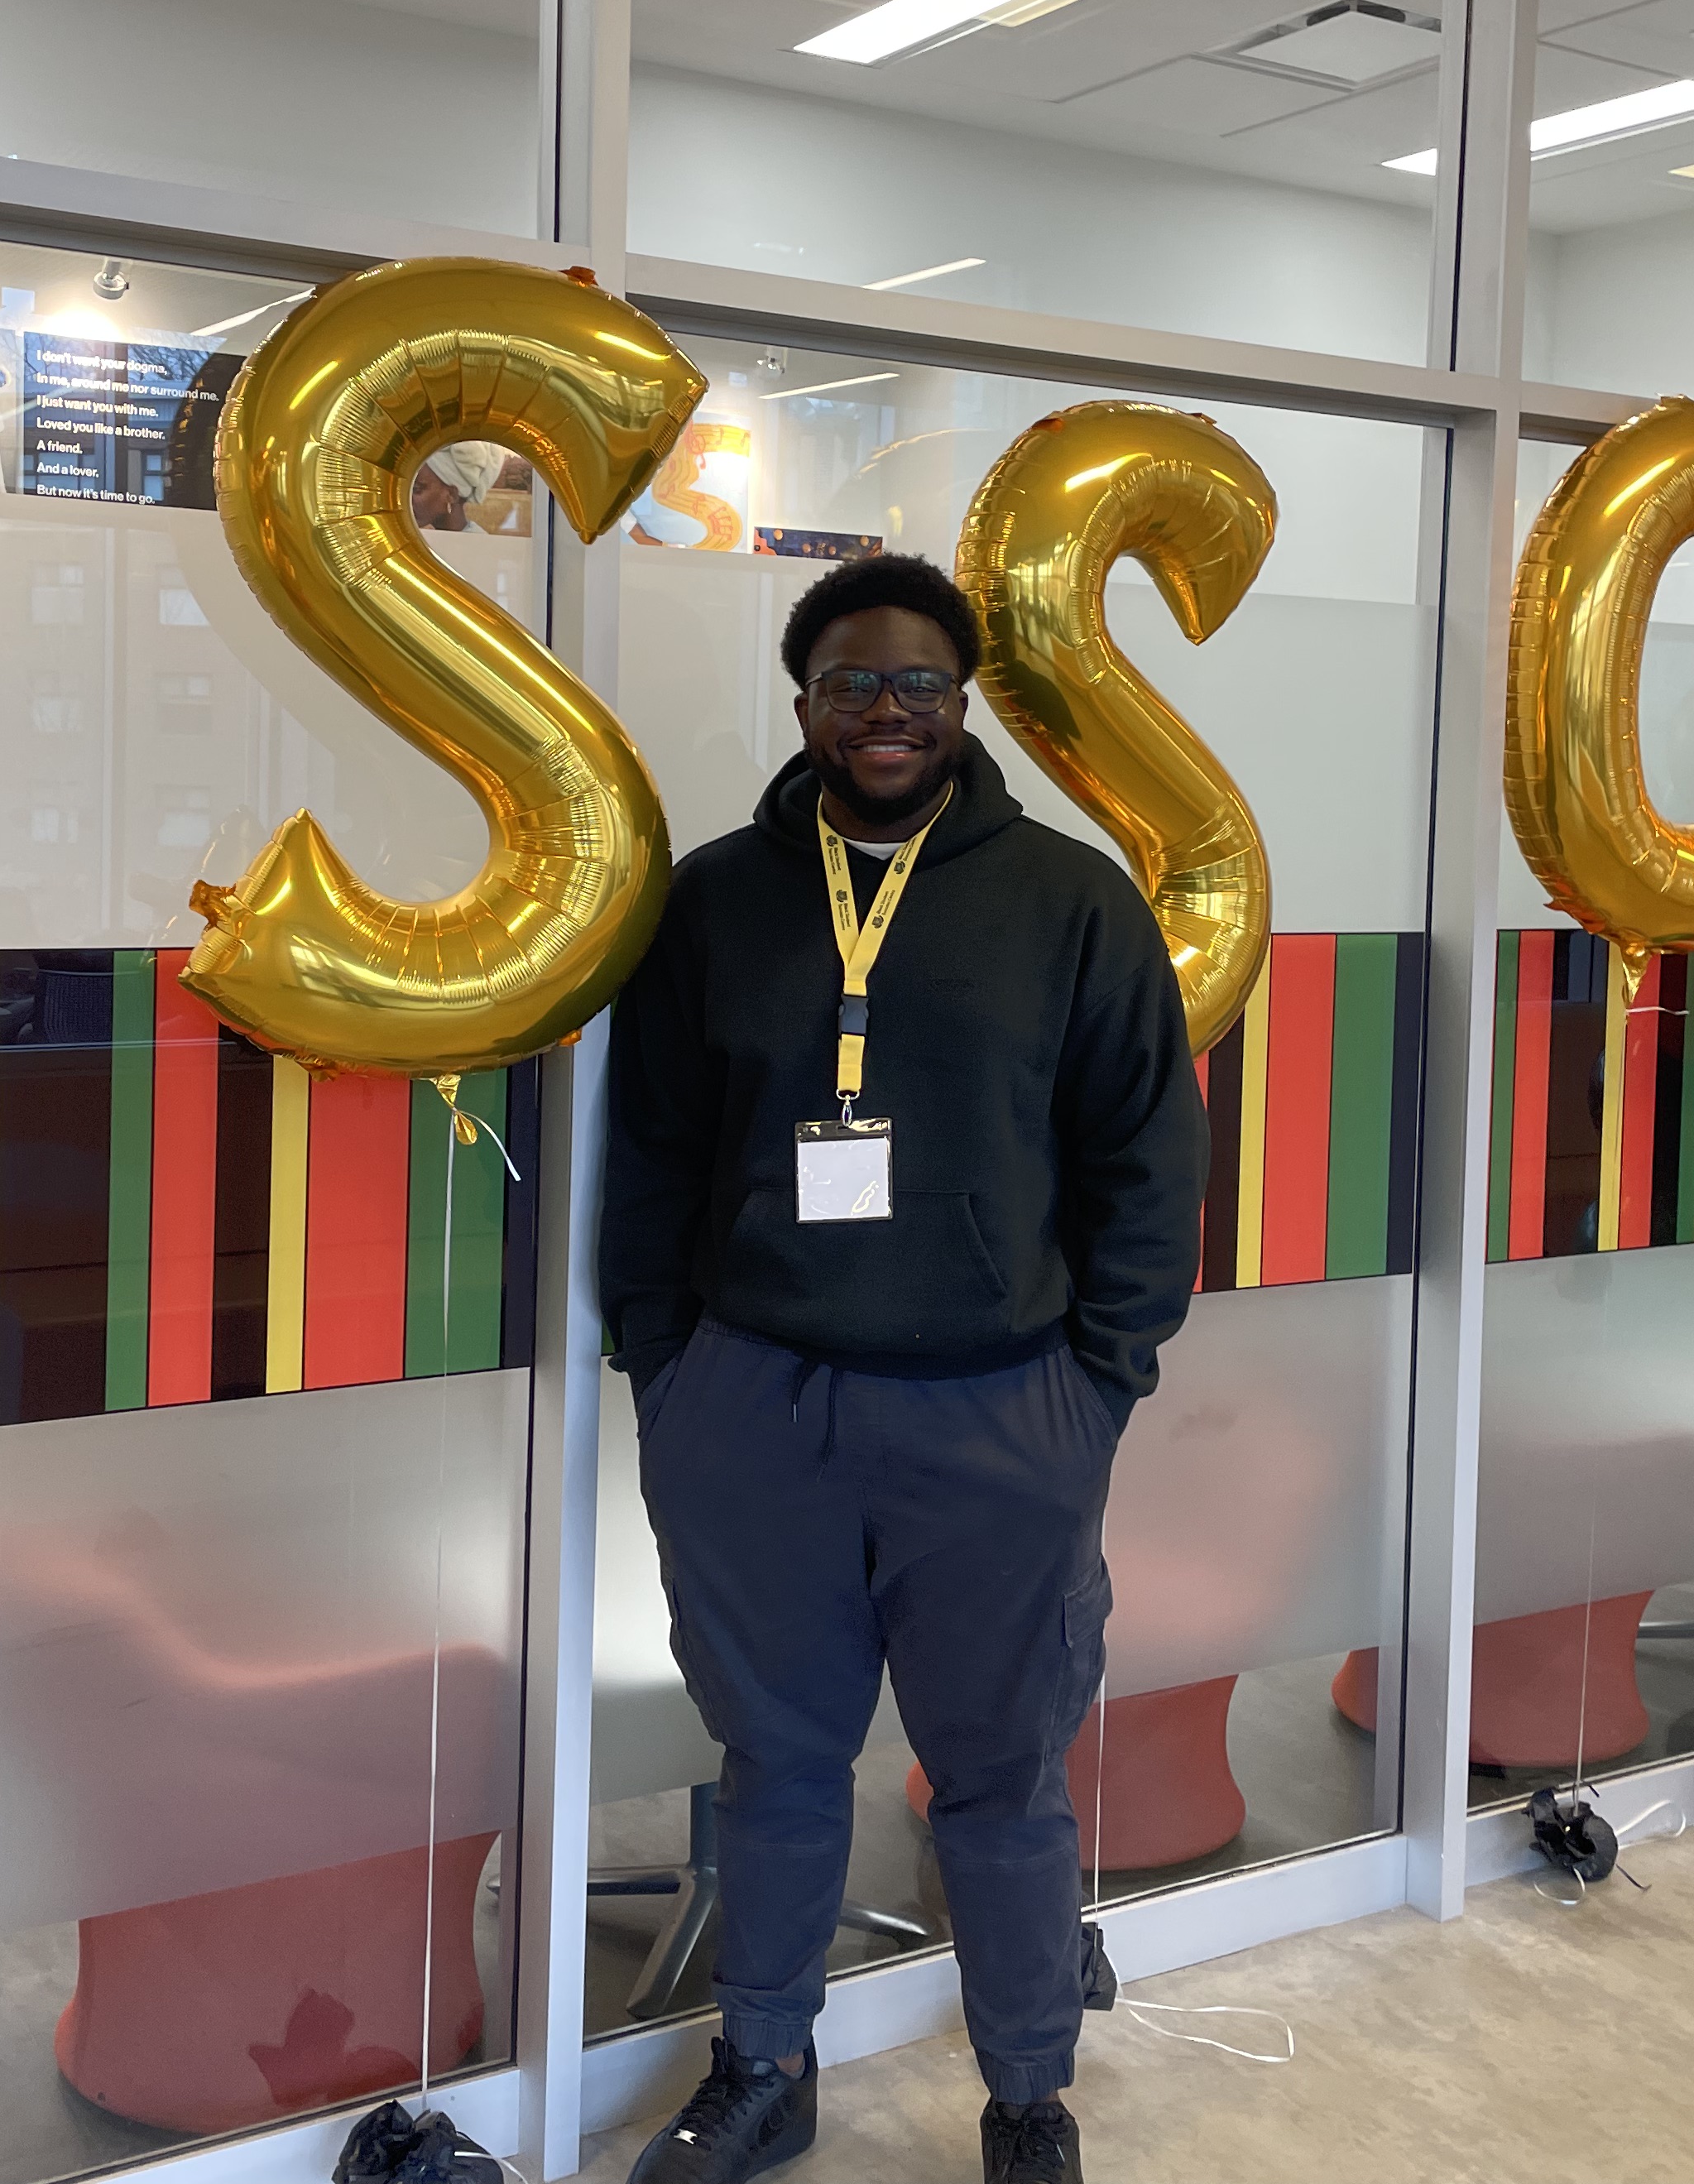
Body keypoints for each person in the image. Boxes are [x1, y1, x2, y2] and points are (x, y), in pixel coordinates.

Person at [602, 553, 1208, 2184]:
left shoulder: (1071, 903)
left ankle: (1027, 2096)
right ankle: (764, 2066)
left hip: (1000, 1414)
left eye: (919, 686)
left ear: (963, 708)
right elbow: (652, 1149)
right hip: (757, 1406)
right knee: (781, 1762)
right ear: (804, 704)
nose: (886, 712)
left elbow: (1146, 1160)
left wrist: (1098, 1386)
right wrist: (666, 1370)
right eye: (853, 683)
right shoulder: (718, 900)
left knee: (1001, 1777)